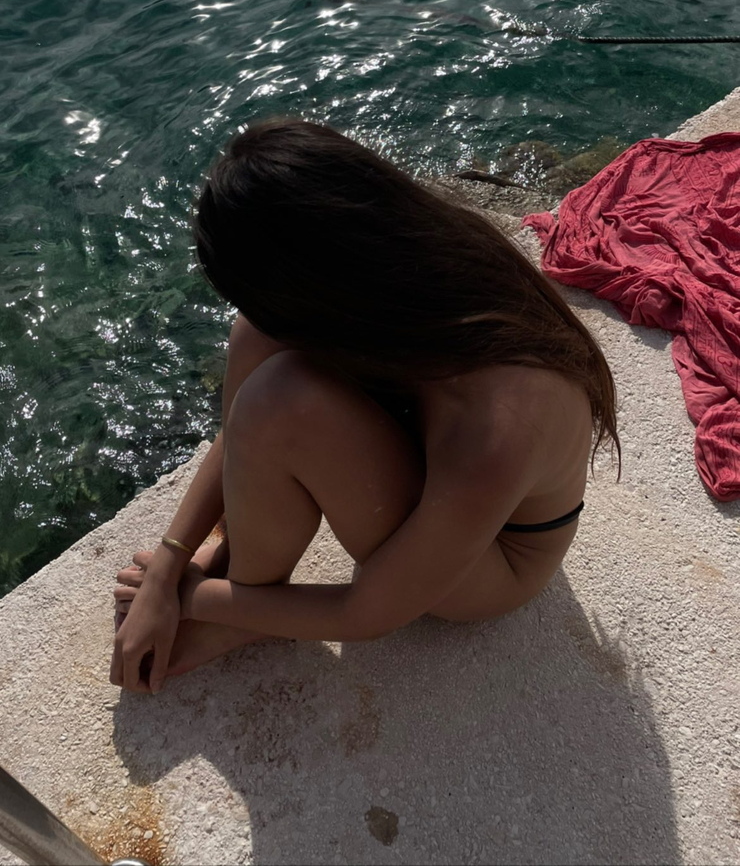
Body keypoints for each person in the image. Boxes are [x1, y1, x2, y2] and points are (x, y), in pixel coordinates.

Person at [110, 118, 619, 694]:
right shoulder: (408, 266)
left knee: (282, 398)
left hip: (495, 561)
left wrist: (190, 597)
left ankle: (246, 612)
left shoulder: (501, 422)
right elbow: (242, 421)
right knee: (257, 334)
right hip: (443, 467)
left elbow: (366, 612)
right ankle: (245, 573)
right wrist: (171, 562)